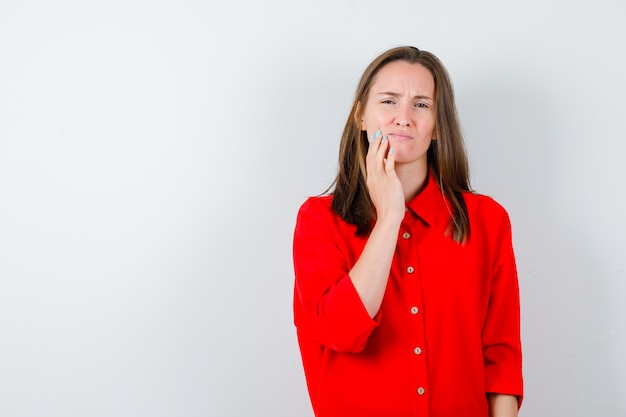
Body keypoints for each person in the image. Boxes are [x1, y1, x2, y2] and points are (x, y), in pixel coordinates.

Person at [292, 46, 523, 417]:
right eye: (389, 101)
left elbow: (500, 360)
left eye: (421, 105)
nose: (403, 118)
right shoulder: (318, 220)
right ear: (361, 117)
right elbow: (341, 332)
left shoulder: (488, 221)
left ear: (436, 128)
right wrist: (388, 219)